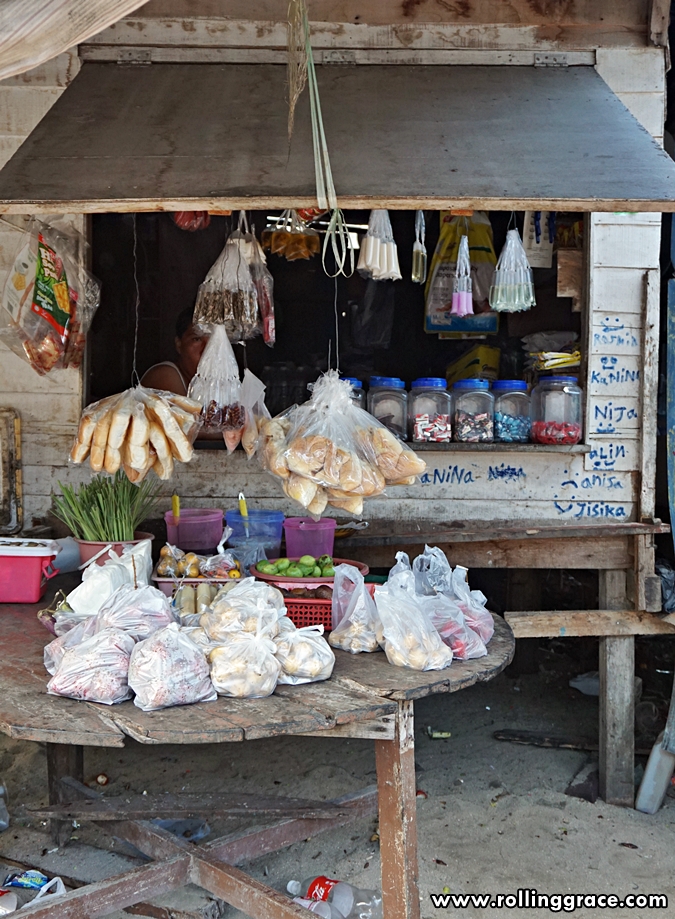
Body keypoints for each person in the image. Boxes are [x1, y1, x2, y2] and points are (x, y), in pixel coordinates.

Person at [141, 308, 208, 395]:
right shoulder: (165, 375)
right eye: (197, 339)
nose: (206, 349)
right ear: (179, 344)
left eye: (212, 341)